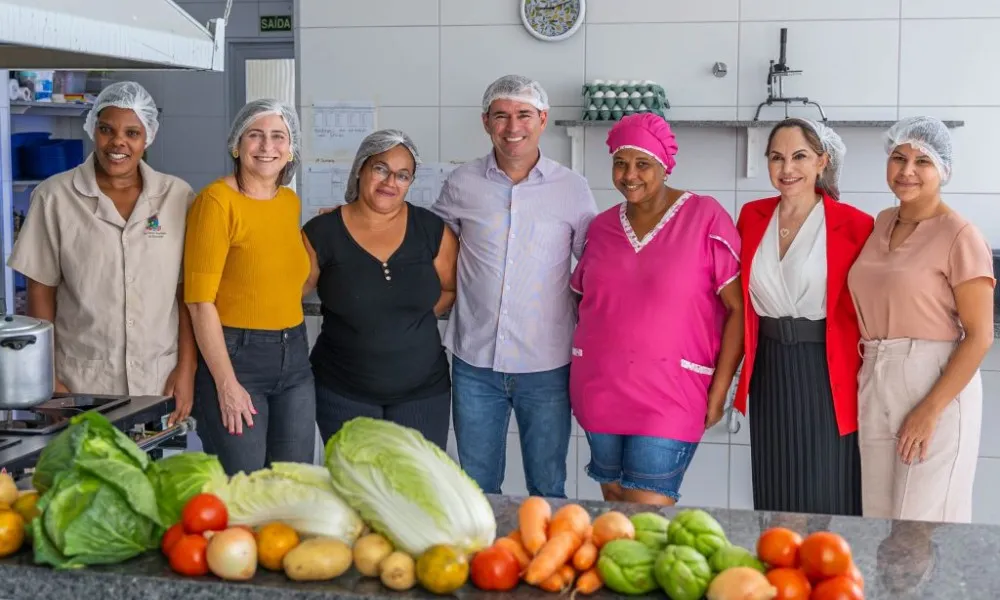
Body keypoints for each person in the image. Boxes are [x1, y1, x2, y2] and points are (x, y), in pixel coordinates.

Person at [432, 74, 598, 497]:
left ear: (542, 119)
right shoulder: (461, 183)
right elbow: (430, 247)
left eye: (524, 114)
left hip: (547, 365)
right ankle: (488, 562)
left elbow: (597, 265)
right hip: (474, 363)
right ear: (486, 121)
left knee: (548, 486)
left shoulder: (573, 188)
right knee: (477, 487)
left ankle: (547, 564)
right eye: (501, 116)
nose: (513, 127)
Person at [569, 113, 744, 505]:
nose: (630, 175)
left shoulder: (704, 216)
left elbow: (738, 311)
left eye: (642, 164)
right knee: (613, 506)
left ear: (665, 166)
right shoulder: (601, 227)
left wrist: (719, 391)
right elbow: (585, 299)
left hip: (672, 392)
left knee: (645, 516)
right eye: (620, 163)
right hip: (601, 389)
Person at [8, 81, 196, 426]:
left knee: (155, 476)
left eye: (132, 132)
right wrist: (46, 376)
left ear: (148, 137)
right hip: (81, 381)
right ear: (93, 129)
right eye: (107, 129)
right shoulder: (55, 196)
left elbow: (187, 294)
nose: (118, 142)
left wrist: (187, 369)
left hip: (158, 378)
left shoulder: (177, 197)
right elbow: (40, 290)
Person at [848, 116, 993, 523]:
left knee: (919, 527)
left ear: (942, 169)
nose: (907, 171)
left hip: (933, 380)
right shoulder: (880, 222)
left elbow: (980, 335)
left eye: (922, 161)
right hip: (876, 374)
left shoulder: (960, 234)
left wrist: (930, 409)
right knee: (878, 519)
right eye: (898, 158)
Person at [734, 118, 874, 516]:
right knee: (775, 490)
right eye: (776, 158)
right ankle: (780, 575)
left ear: (822, 162)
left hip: (828, 371)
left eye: (799, 157)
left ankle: (831, 574)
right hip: (769, 369)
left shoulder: (856, 224)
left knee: (827, 488)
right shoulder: (752, 216)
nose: (786, 168)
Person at [301, 130, 458, 449]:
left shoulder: (431, 230)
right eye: (381, 169)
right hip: (341, 393)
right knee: (356, 491)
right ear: (361, 168)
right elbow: (288, 297)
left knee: (416, 489)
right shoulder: (322, 233)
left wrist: (404, 327)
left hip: (423, 393)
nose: (390, 182)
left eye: (403, 175)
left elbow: (449, 288)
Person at [184, 99, 316, 475]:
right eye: (255, 135)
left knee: (292, 482)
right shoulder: (216, 202)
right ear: (236, 145)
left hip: (294, 357)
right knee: (245, 484)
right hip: (236, 357)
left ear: (291, 148)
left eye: (278, 136)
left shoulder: (288, 202)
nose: (266, 146)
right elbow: (199, 302)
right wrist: (226, 384)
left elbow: (274, 277)